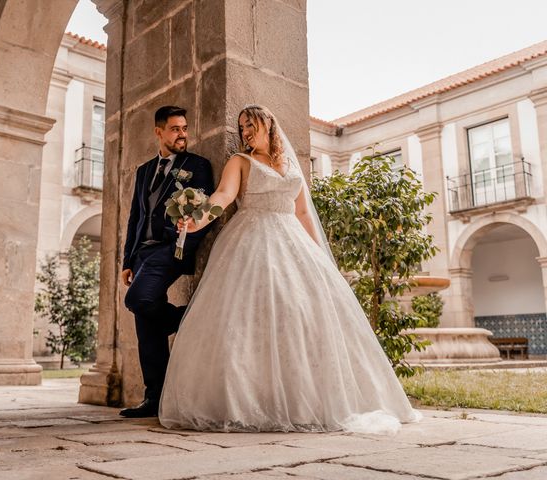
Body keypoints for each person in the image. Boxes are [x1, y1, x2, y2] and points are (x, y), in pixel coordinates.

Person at [159, 105, 421, 433]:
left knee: (302, 315)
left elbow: (303, 213)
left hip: (293, 242)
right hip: (252, 240)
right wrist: (196, 222)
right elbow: (224, 196)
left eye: (251, 125)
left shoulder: (291, 164)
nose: (246, 132)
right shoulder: (241, 161)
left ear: (269, 124)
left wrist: (321, 256)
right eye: (242, 128)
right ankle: (252, 400)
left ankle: (308, 399)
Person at [120, 106, 214, 418]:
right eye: (175, 129)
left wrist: (186, 235)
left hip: (172, 248)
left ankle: (191, 316)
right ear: (159, 131)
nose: (182, 134)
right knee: (147, 326)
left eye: (184, 128)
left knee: (137, 299)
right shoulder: (144, 171)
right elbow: (136, 217)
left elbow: (204, 209)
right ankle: (154, 398)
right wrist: (127, 259)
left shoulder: (197, 165)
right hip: (143, 253)